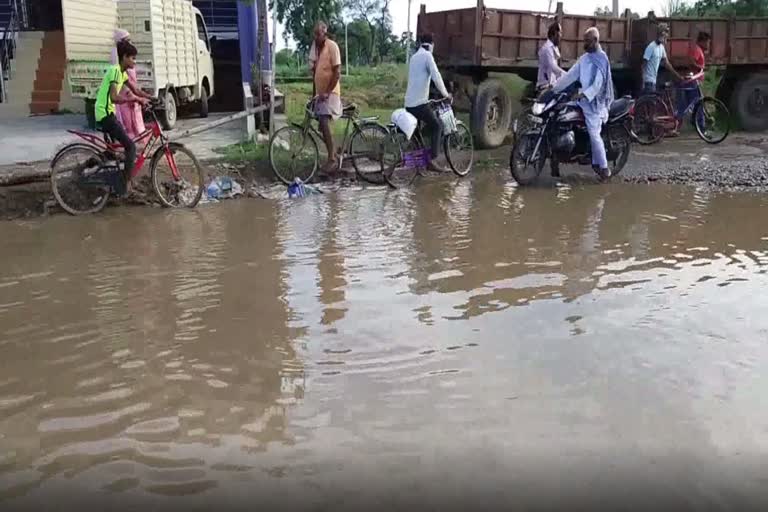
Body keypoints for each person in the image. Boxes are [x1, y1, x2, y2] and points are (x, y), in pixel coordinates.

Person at [553, 27, 614, 180]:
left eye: (587, 41)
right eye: (584, 40)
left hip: (596, 104)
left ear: (595, 41)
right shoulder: (585, 58)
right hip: (582, 101)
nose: (584, 44)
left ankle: (604, 167)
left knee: (594, 134)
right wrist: (553, 89)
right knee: (561, 116)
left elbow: (598, 85)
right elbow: (570, 76)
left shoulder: (602, 59)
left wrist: (584, 95)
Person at [95, 40, 151, 194]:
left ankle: (92, 164)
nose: (134, 61)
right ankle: (124, 185)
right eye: (132, 58)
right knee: (130, 146)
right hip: (104, 114)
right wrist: (134, 99)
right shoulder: (114, 71)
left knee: (114, 151)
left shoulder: (122, 73)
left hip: (108, 113)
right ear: (124, 57)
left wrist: (151, 98)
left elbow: (136, 90)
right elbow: (114, 97)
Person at [404, 33, 451, 172]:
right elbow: (436, 76)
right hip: (419, 104)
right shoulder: (427, 56)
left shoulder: (413, 57)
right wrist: (446, 94)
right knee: (437, 126)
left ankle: (419, 162)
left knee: (417, 134)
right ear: (431, 44)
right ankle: (432, 161)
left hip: (408, 104)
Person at [308, 21, 342, 174]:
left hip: (331, 93)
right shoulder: (316, 50)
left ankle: (332, 159)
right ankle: (334, 151)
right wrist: (313, 96)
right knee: (319, 123)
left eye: (318, 34)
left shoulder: (332, 46)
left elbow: (337, 72)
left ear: (325, 32)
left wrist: (327, 91)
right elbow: (315, 75)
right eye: (314, 34)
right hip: (321, 95)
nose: (316, 37)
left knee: (323, 120)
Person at [677, 31, 711, 122]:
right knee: (698, 103)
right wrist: (702, 68)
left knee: (689, 104)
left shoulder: (699, 50)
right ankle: (701, 127)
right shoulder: (697, 50)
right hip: (694, 81)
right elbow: (691, 62)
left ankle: (680, 121)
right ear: (702, 41)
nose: (708, 45)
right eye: (708, 42)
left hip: (695, 81)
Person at [642, 23, 681, 94]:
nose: (667, 36)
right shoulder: (651, 47)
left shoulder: (661, 48)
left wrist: (677, 75)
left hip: (654, 80)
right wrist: (643, 82)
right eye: (665, 34)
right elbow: (644, 64)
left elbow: (667, 64)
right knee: (651, 102)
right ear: (661, 34)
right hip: (648, 81)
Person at [537, 22, 565, 90]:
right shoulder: (547, 48)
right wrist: (568, 75)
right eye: (560, 32)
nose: (561, 35)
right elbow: (553, 67)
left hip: (551, 85)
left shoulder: (554, 48)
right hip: (544, 87)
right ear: (555, 33)